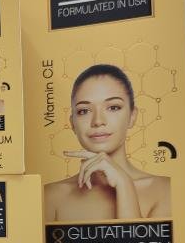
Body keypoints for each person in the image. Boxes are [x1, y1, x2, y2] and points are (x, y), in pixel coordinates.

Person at [43, 64, 171, 222]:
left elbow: (133, 239)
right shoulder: (50, 196)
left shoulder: (165, 190)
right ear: (72, 123)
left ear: (132, 116)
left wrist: (124, 185)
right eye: (84, 111)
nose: (98, 121)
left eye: (113, 107)